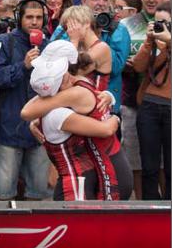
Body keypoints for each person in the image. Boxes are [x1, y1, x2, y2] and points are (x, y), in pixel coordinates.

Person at [21, 42, 130, 200]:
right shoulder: (80, 82)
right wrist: (111, 102)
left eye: (66, 71)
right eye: (64, 76)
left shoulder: (72, 95)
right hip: (98, 172)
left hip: (106, 172)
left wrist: (115, 117)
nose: (70, 78)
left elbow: (26, 112)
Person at [0, 0, 51, 200]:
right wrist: (23, 66)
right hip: (9, 128)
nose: (34, 22)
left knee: (38, 193)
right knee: (4, 193)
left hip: (39, 130)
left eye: (38, 17)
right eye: (29, 17)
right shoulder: (4, 41)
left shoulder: (48, 45)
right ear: (19, 18)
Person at [131, 4, 171, 199]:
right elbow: (138, 67)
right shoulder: (154, 42)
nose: (161, 27)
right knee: (149, 166)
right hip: (149, 105)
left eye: (166, 23)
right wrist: (149, 40)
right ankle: (150, 210)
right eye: (157, 22)